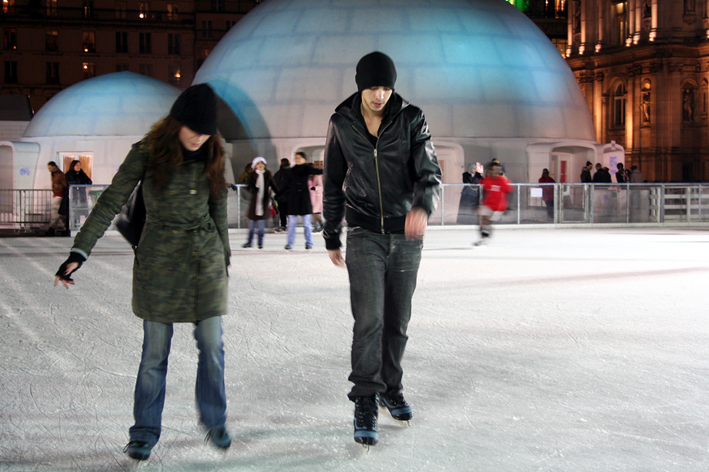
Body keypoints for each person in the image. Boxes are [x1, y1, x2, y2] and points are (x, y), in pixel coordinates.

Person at [53, 84, 233, 462]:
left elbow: (218, 210)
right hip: (159, 263)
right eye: (193, 129)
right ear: (176, 122)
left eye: (206, 131)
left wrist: (225, 259)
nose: (200, 137)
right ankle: (145, 431)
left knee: (213, 347)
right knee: (155, 354)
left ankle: (215, 420)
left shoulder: (216, 152)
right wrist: (79, 251)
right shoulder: (148, 153)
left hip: (205, 261)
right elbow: (110, 201)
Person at [322, 51, 442, 448]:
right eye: (373, 87)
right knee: (369, 319)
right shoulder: (342, 122)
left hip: (406, 234)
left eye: (386, 87)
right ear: (360, 85)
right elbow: (333, 179)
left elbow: (430, 172)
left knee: (397, 320)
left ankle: (392, 387)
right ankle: (365, 398)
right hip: (364, 233)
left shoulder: (411, 118)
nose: (379, 95)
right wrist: (330, 234)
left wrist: (422, 206)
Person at [284, 151, 322, 250]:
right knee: (291, 224)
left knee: (306, 223)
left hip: (304, 199)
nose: (297, 160)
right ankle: (290, 243)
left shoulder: (306, 168)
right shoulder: (292, 170)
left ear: (304, 159)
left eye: (299, 158)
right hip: (293, 199)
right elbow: (287, 184)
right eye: (296, 158)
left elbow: (318, 171)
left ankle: (309, 242)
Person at [242, 156, 278, 249]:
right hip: (254, 203)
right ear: (255, 165)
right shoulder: (252, 175)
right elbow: (248, 186)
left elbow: (274, 186)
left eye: (261, 163)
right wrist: (254, 190)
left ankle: (260, 242)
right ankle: (249, 242)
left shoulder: (268, 175)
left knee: (261, 227)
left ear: (264, 165)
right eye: (258, 164)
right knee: (251, 226)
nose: (260, 165)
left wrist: (280, 194)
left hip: (263, 203)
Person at [475, 161, 512, 245]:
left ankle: (486, 233)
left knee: (487, 221)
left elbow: (509, 191)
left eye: (496, 169)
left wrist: (508, 206)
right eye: (492, 170)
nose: (494, 171)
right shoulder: (487, 180)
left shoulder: (502, 180)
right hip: (487, 204)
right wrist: (478, 204)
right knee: (482, 219)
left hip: (499, 206)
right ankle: (483, 237)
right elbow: (482, 191)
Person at [65, 160, 93, 232]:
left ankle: (83, 226)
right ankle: (74, 226)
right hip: (73, 196)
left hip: (82, 195)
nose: (78, 167)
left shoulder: (82, 174)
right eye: (77, 165)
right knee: (74, 211)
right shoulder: (69, 174)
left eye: (79, 165)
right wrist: (79, 182)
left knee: (82, 210)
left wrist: (83, 183)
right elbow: (69, 183)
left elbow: (89, 181)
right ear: (73, 166)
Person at [46, 161, 68, 236]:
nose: (49, 169)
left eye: (50, 168)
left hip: (59, 195)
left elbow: (65, 184)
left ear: (54, 166)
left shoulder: (59, 174)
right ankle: (67, 227)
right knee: (61, 214)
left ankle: (52, 228)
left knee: (55, 211)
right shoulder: (55, 174)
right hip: (57, 194)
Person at [273, 158, 291, 232]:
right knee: (290, 211)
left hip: (281, 196)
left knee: (282, 211)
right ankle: (291, 225)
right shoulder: (292, 172)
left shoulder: (279, 173)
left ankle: (283, 225)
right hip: (290, 196)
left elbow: (274, 183)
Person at [309, 160, 324, 233]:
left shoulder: (318, 175)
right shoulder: (311, 175)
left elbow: (321, 186)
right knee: (314, 211)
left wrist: (315, 188)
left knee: (314, 211)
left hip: (317, 196)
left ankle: (320, 224)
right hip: (312, 195)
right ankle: (319, 225)